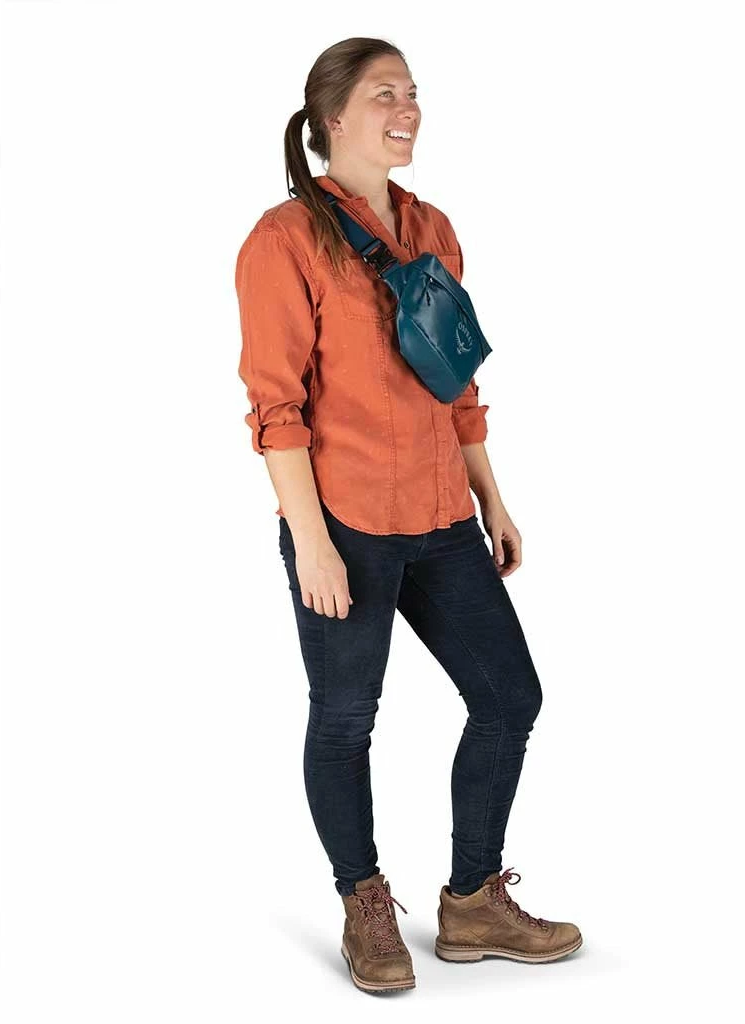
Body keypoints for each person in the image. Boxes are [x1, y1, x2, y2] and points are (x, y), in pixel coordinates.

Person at [234, 38, 582, 993]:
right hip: (345, 522)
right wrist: (311, 543)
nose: (408, 109)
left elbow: (455, 376)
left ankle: (472, 900)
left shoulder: (432, 228)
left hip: (438, 515)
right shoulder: (284, 240)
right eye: (386, 94)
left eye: (414, 93)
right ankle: (364, 902)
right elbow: (276, 410)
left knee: (509, 698)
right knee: (347, 719)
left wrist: (489, 494)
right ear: (333, 118)